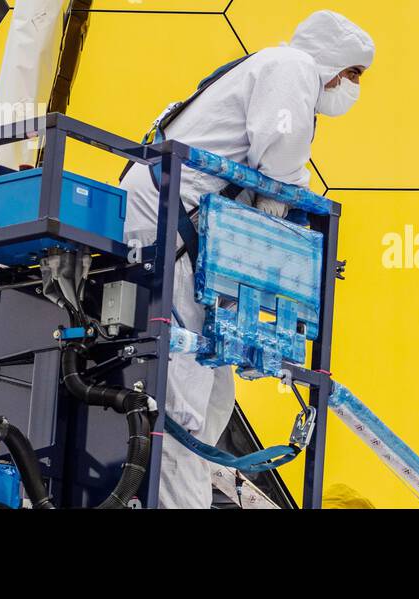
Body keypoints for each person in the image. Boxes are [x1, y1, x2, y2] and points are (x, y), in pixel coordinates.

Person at [118, 10, 374, 508]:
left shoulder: (276, 70)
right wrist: (291, 224)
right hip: (170, 227)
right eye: (353, 75)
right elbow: (278, 164)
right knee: (182, 401)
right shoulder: (292, 67)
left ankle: (194, 483)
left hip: (190, 230)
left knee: (214, 397)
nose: (351, 88)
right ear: (333, 63)